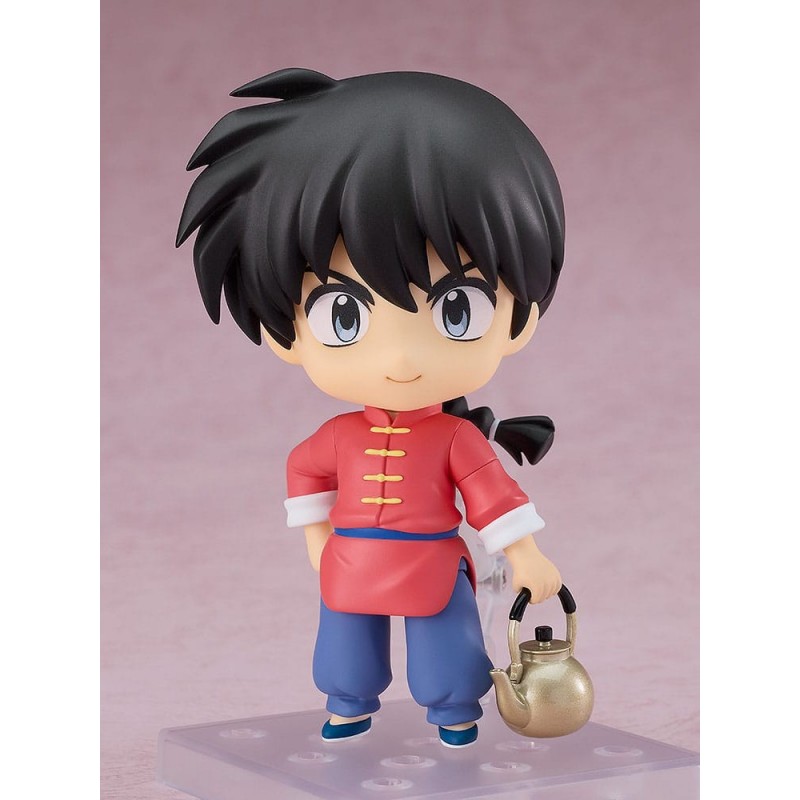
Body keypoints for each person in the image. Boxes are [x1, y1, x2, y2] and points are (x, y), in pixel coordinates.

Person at [177, 68, 566, 748]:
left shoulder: (456, 440)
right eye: (344, 313)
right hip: (351, 563)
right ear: (285, 332)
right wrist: (317, 539)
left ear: (521, 316)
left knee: (446, 648)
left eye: (456, 308)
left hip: (432, 564)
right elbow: (304, 469)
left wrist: (525, 555)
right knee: (344, 648)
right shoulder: (336, 437)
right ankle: (348, 702)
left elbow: (492, 496)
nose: (401, 357)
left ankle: (454, 711)